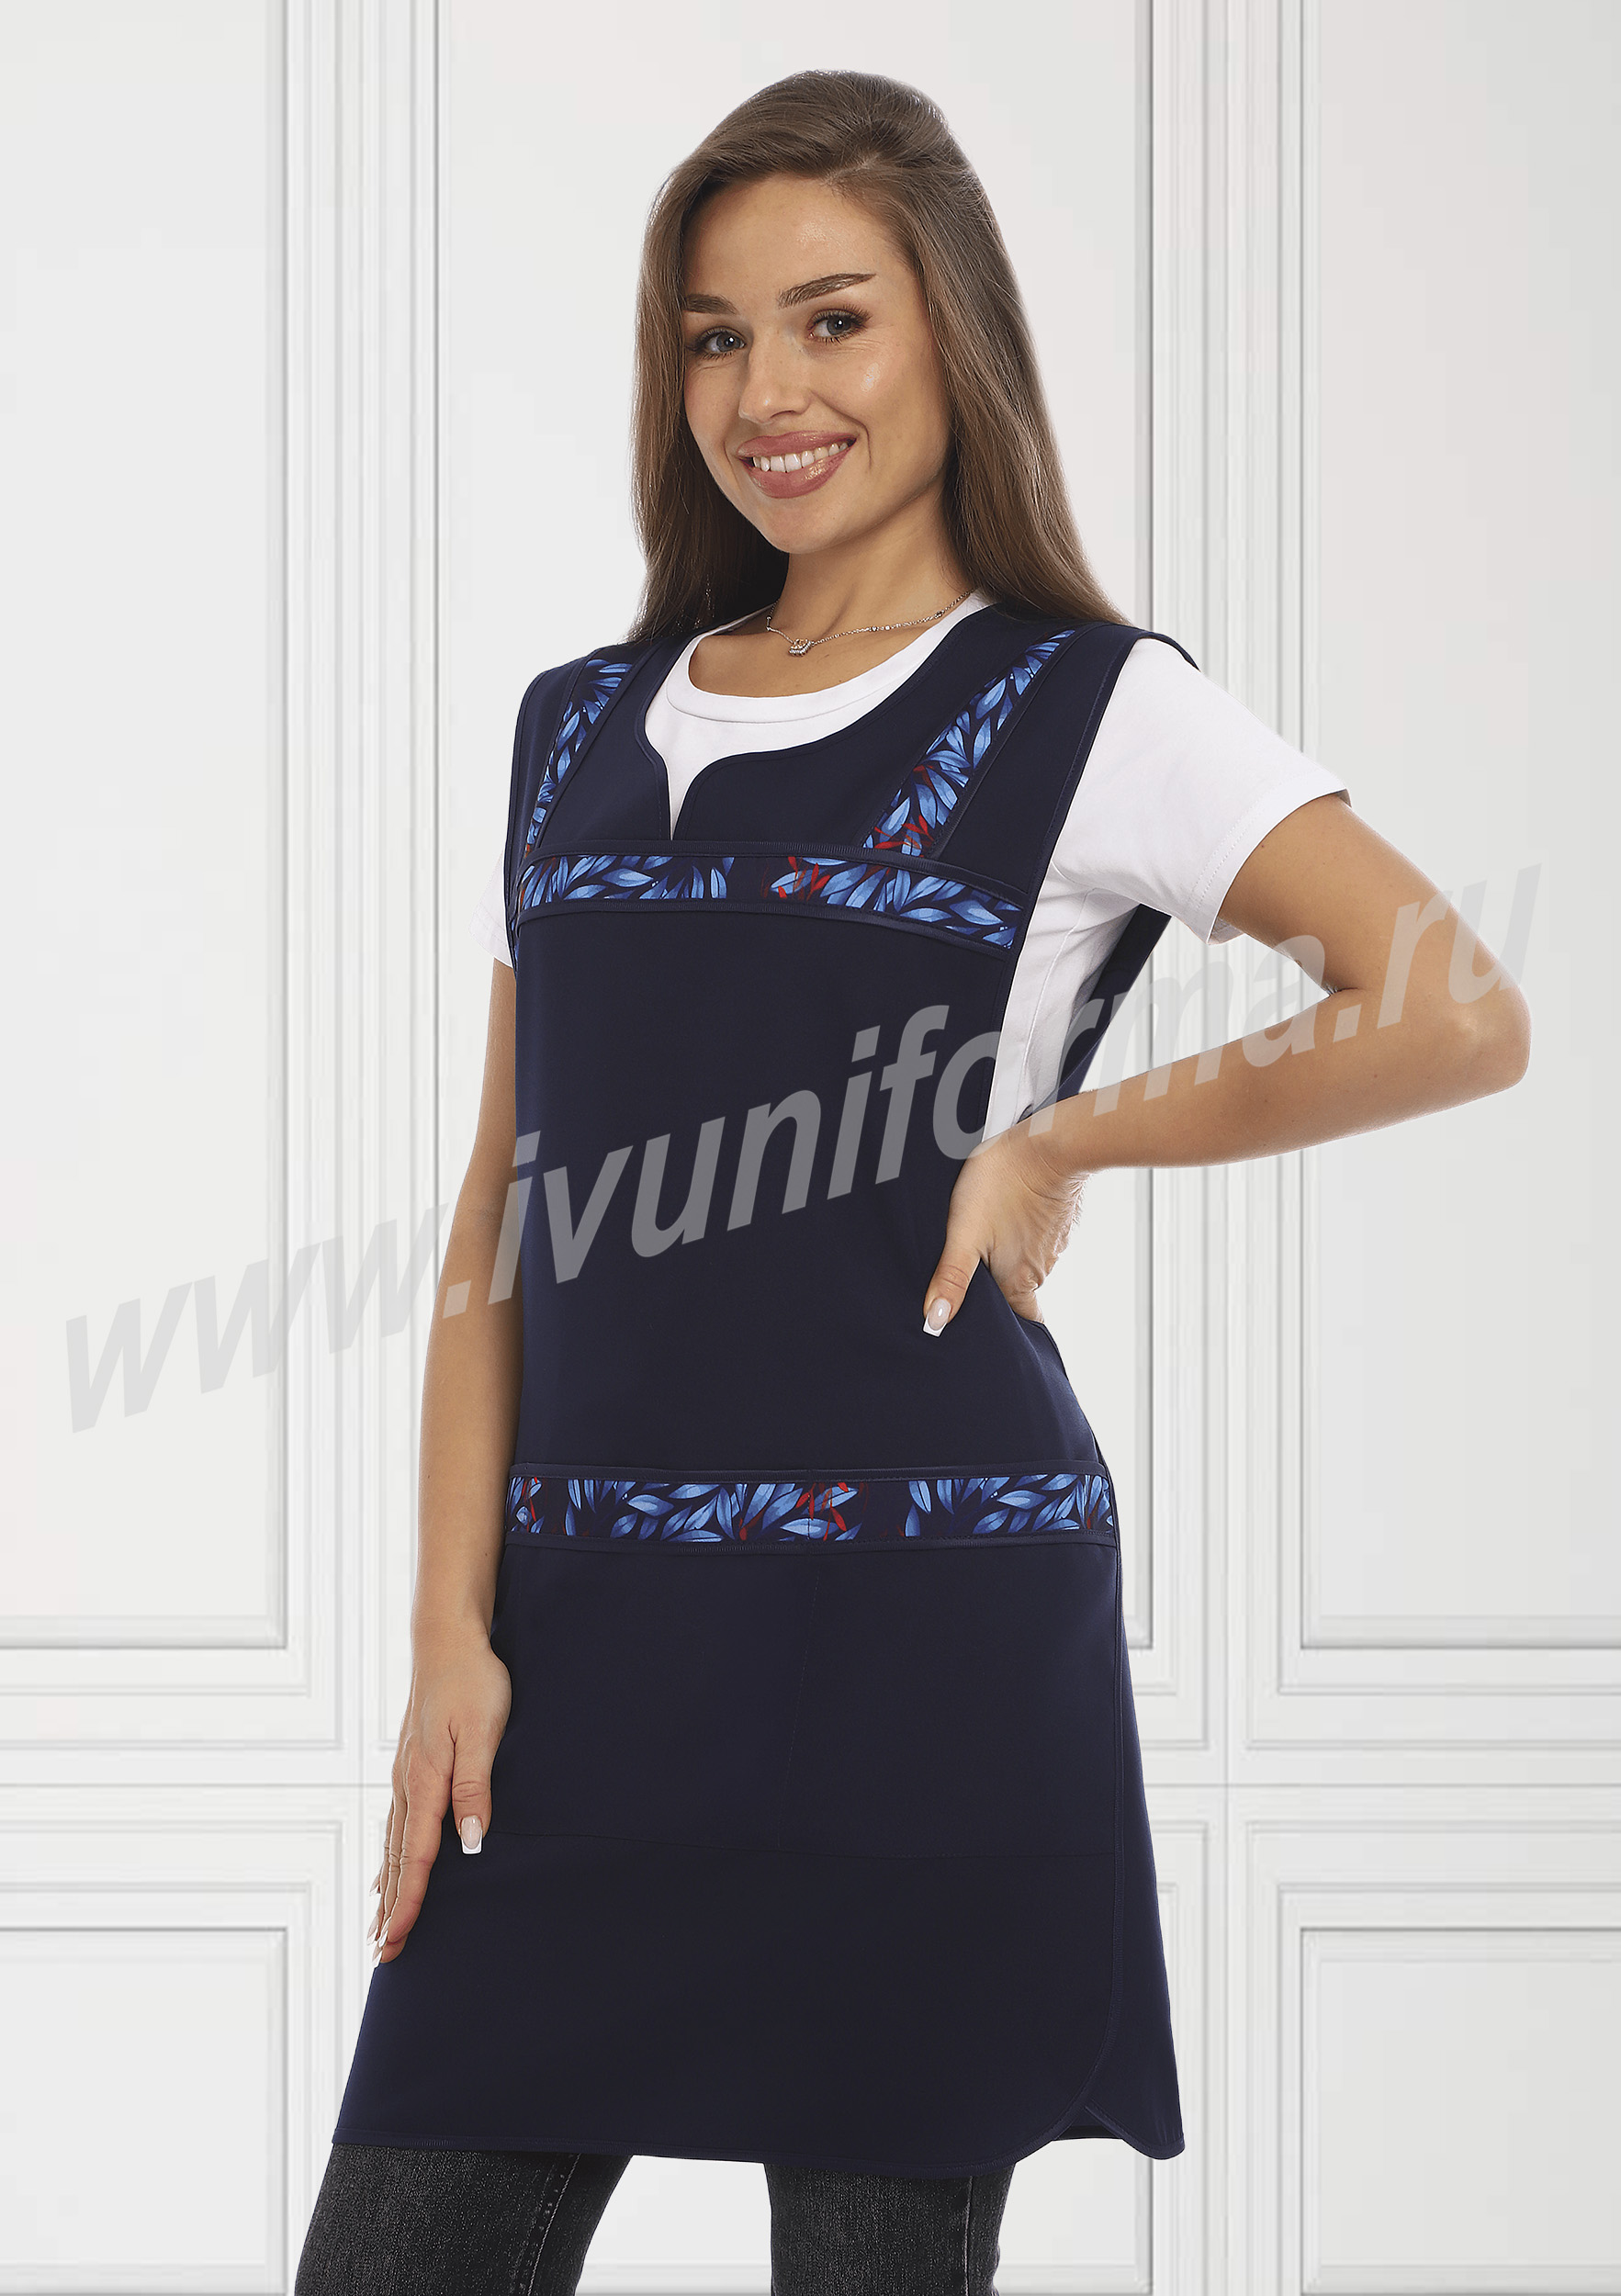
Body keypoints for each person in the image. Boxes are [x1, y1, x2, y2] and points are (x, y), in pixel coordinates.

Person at [295, 68, 1530, 2296]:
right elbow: (501, 1216)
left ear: (949, 326)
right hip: (571, 1674)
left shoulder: (1089, 708)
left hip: (917, 1666)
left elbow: (1451, 1000)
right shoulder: (574, 723)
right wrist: (445, 1630)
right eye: (713, 335)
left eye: (831, 320)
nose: (767, 392)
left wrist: (1067, 1131)